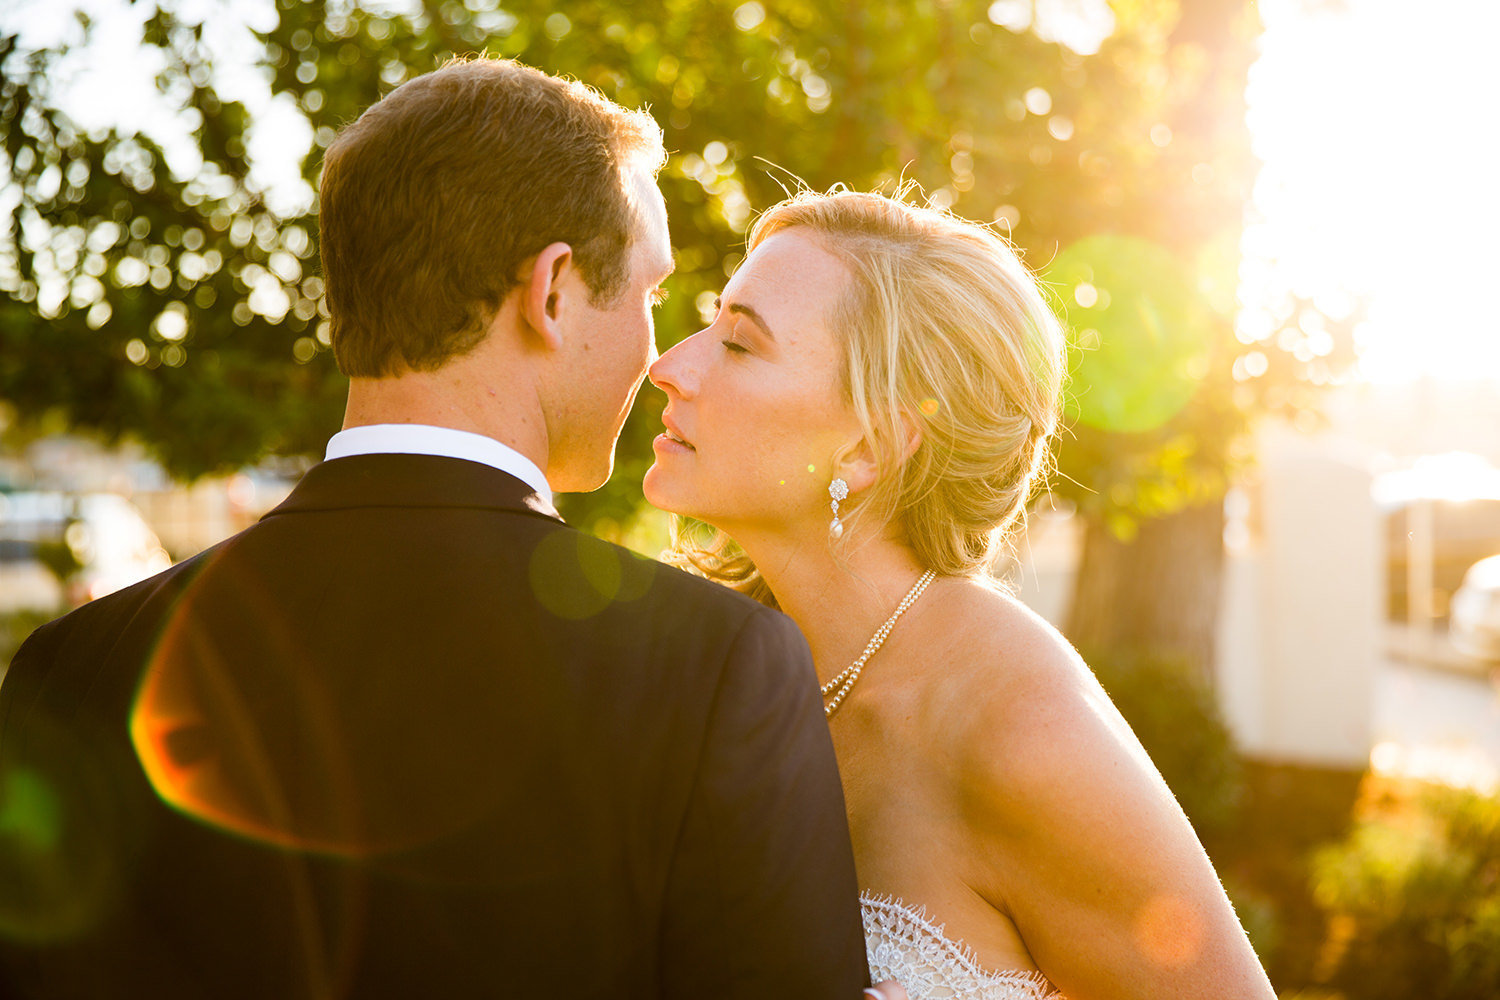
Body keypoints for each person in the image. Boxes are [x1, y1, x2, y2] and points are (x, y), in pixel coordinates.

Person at [0, 59, 890, 1000]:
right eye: (646, 294)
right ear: (550, 294)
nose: (658, 351)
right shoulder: (715, 670)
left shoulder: (73, 666)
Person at [644, 189, 1280, 999]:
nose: (670, 365)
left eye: (738, 343)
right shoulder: (715, 667)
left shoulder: (1023, 733)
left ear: (867, 446)